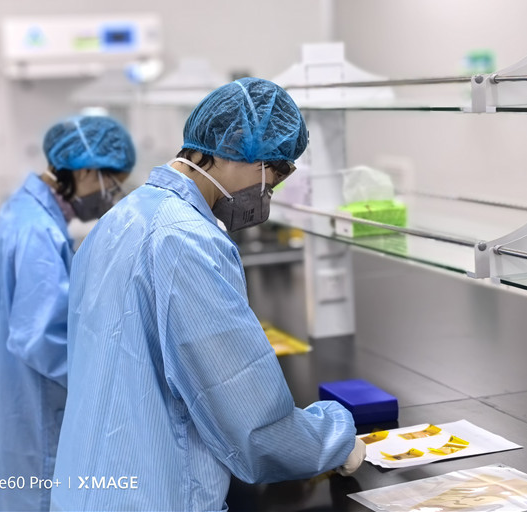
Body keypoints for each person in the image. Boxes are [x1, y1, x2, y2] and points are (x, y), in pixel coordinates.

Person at [50, 78, 365, 512]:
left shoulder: (122, 217)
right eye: (271, 176)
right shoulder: (187, 240)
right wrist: (334, 440)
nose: (266, 193)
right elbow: (248, 417)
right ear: (231, 150)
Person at [0, 114, 136, 512]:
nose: (111, 194)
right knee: (32, 489)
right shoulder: (38, 229)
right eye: (111, 182)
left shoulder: (22, 210)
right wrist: (108, 380)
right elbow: (41, 338)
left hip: (7, 384)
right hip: (31, 397)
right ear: (84, 170)